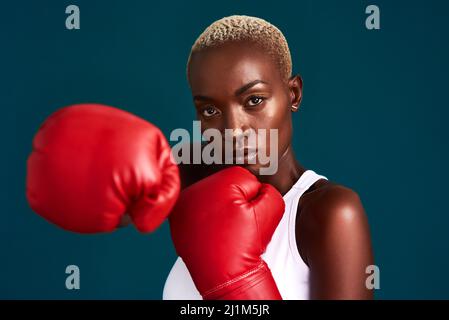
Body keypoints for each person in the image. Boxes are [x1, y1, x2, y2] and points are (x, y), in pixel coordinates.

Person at [163, 15, 374, 300]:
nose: (234, 131)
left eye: (254, 100)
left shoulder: (329, 214)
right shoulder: (191, 178)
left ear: (293, 94)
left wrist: (239, 288)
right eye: (210, 111)